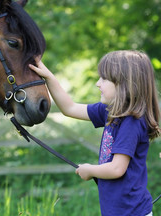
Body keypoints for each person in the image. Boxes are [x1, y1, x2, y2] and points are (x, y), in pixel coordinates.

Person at [29, 50, 160, 216]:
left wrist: (90, 170)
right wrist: (48, 77)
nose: (98, 83)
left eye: (104, 79)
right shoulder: (111, 111)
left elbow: (117, 168)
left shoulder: (131, 122)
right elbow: (70, 108)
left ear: (124, 84)